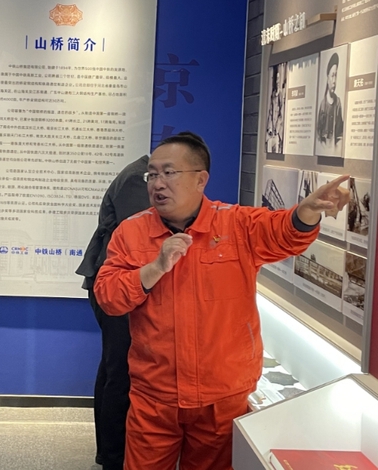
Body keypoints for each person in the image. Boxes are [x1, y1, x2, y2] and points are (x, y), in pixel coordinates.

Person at [94, 131, 350, 470]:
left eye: (169, 172)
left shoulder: (236, 224)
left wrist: (308, 211)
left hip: (223, 397)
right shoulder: (132, 232)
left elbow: (284, 232)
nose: (157, 183)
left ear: (201, 179)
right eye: (152, 174)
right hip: (155, 396)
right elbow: (109, 297)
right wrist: (154, 269)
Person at [76, 155, 150, 470]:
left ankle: (108, 452)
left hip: (117, 283)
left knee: (113, 367)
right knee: (120, 372)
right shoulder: (138, 179)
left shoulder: (140, 174)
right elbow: (141, 241)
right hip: (117, 287)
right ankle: (114, 456)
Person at [316, 52, 344, 153]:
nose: (334, 80)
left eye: (336, 76)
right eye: (332, 76)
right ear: (327, 78)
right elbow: (318, 135)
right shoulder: (322, 105)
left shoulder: (338, 103)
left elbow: (339, 134)